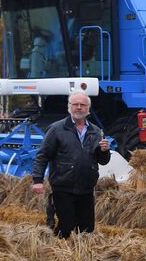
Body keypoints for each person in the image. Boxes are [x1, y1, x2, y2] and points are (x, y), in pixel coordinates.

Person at [31, 90, 111, 238]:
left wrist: (105, 151)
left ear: (88, 109)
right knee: (66, 226)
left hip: (86, 187)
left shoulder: (96, 131)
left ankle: (81, 257)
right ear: (69, 107)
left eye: (82, 105)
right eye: (75, 104)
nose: (79, 107)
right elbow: (42, 155)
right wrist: (37, 180)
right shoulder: (57, 129)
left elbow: (103, 161)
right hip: (63, 186)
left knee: (87, 229)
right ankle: (59, 252)